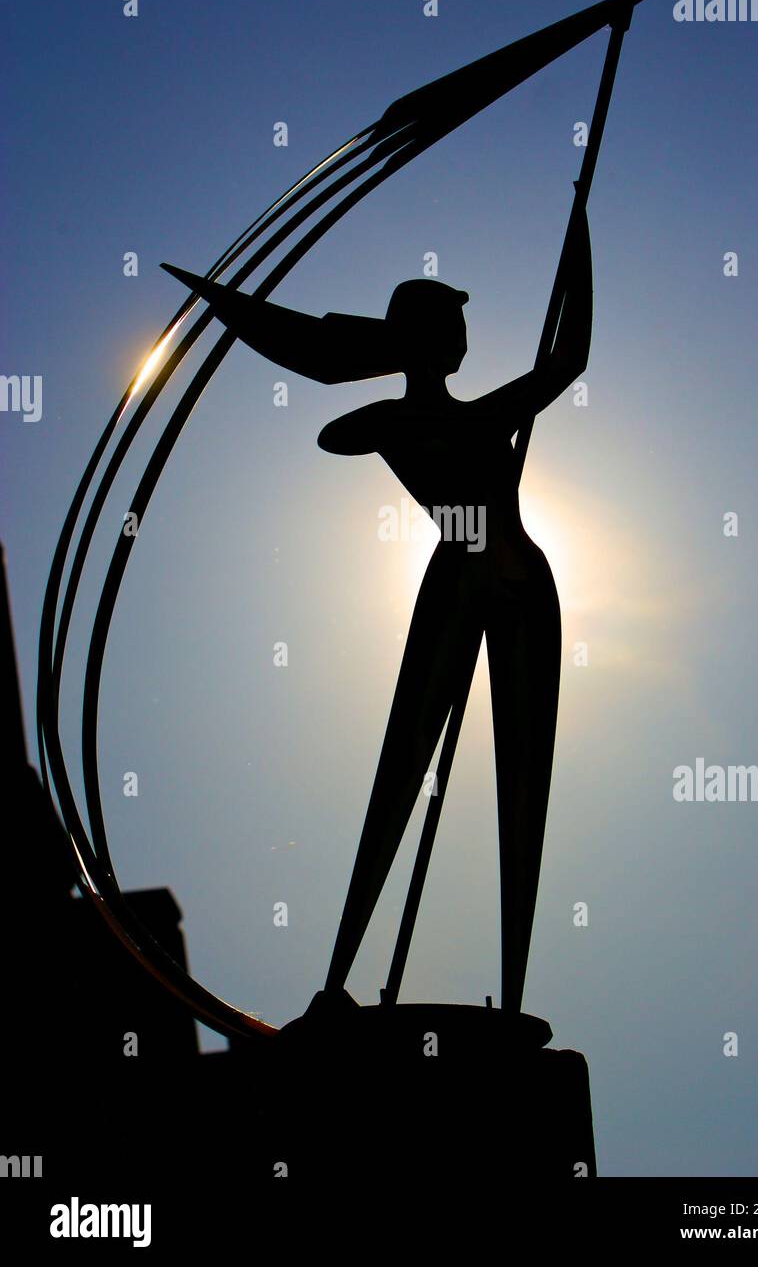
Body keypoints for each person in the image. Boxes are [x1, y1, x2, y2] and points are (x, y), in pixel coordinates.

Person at [162, 207, 592, 1012]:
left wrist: (577, 235)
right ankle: (338, 981)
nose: (462, 340)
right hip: (457, 576)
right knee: (403, 765)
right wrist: (382, 354)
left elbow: (568, 360)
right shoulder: (404, 419)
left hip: (520, 578)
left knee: (523, 774)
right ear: (426, 337)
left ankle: (511, 995)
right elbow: (337, 434)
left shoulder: (466, 415)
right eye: (451, 326)